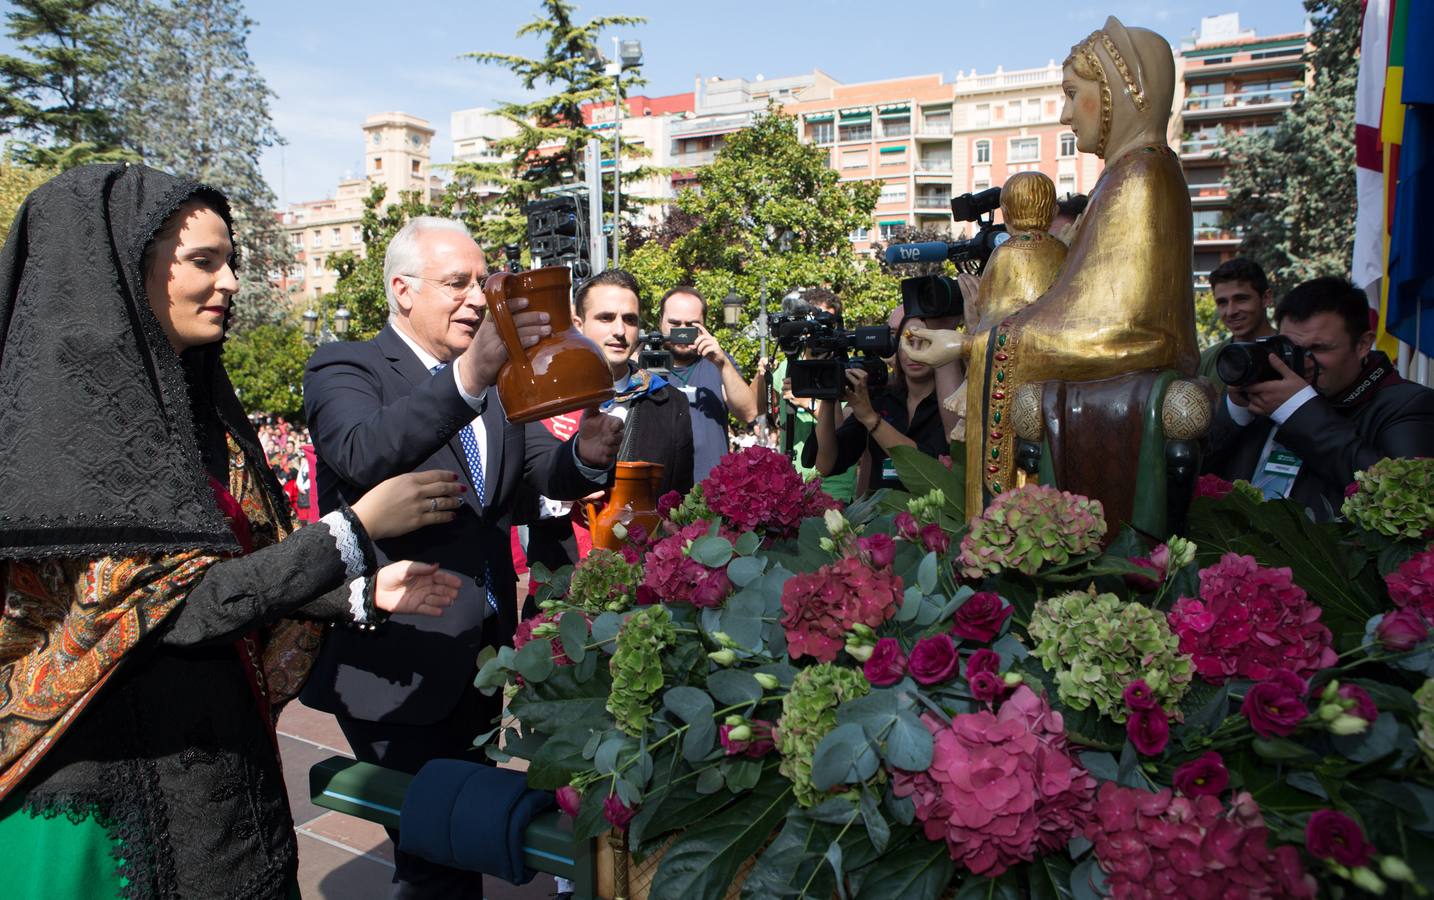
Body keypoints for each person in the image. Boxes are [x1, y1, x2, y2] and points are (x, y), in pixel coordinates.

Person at [0, 164, 464, 899]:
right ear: (121, 272)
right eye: (204, 262)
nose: (232, 284)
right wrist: (355, 529)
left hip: (222, 767)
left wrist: (358, 593)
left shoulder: (192, 409)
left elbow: (242, 571)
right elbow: (174, 610)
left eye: (233, 262)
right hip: (114, 798)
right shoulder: (78, 435)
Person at [300, 216, 622, 899]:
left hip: (479, 659)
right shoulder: (346, 366)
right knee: (436, 858)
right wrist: (471, 375)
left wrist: (585, 457)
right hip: (393, 666)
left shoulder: (500, 385)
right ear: (402, 291)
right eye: (457, 283)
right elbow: (364, 451)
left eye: (482, 281)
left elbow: (540, 477)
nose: (478, 298)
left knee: (458, 843)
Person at [1204, 276, 1434, 520]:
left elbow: (1405, 499)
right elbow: (1198, 473)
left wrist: (1298, 410)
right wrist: (1237, 411)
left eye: (1320, 348)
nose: (1303, 362)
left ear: (1363, 345)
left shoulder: (1409, 405)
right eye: (1291, 347)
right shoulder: (1268, 391)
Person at [523, 269, 695, 572]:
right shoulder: (540, 398)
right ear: (578, 324)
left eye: (630, 319)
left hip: (641, 591)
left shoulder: (669, 402)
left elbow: (677, 502)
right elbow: (511, 495)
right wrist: (564, 491)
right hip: (559, 584)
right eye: (606, 318)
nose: (620, 330)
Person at [807, 314, 948, 495]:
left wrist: (870, 418)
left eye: (926, 342)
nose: (915, 351)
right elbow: (826, 465)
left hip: (933, 518)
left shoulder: (949, 406)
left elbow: (925, 467)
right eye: (908, 342)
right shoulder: (881, 399)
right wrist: (827, 393)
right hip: (880, 520)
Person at [757, 290, 857, 502]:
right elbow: (765, 413)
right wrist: (762, 378)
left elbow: (842, 430)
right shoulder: (786, 367)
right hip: (792, 485)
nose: (819, 330)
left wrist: (807, 402)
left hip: (834, 486)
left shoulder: (846, 369)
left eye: (826, 322)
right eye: (815, 321)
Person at [659, 286, 758, 481]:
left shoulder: (718, 363)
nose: (682, 331)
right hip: (657, 490)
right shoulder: (643, 365)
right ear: (660, 322)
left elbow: (749, 413)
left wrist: (723, 364)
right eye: (674, 323)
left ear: (704, 325)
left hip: (709, 493)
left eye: (691, 324)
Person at [1196, 257, 1276, 391]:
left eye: (1241, 299)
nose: (1231, 311)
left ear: (1266, 298)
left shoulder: (1292, 352)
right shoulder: (1206, 363)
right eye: (1222, 302)